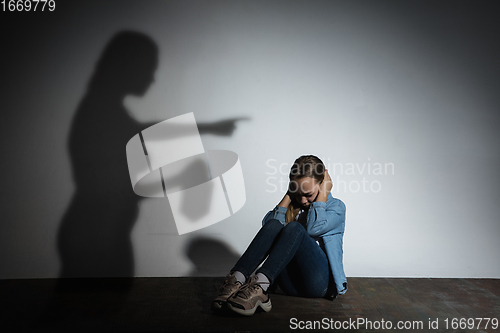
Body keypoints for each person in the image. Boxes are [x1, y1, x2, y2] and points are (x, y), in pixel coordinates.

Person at [211, 155, 347, 316]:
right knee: (276, 224)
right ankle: (237, 280)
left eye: (308, 194)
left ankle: (260, 286)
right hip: (288, 283)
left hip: (318, 284)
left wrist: (323, 194)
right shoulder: (294, 204)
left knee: (295, 228)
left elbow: (313, 229)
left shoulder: (337, 207)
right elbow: (268, 226)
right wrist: (289, 196)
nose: (302, 200)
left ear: (322, 183)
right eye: (297, 193)